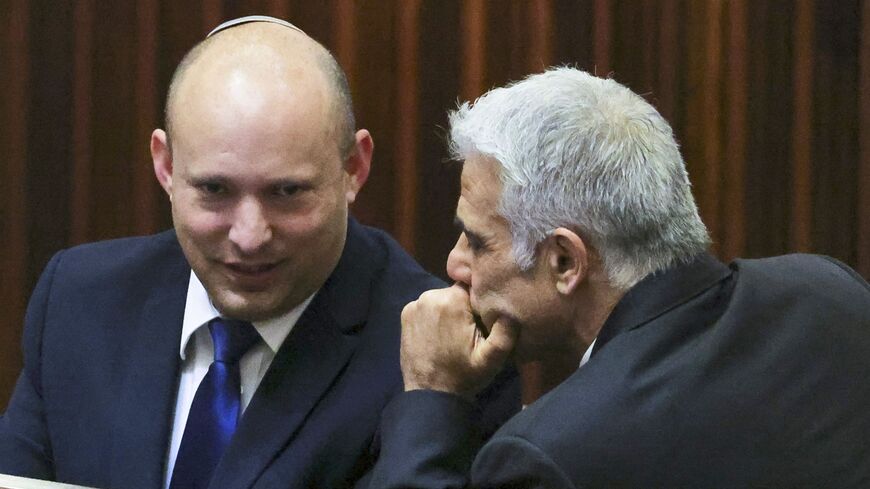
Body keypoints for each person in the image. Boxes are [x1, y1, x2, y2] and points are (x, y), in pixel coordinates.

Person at [0, 16, 517, 489]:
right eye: (215, 191)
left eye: (286, 193)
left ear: (354, 168)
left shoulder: (445, 358)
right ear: (165, 166)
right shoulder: (79, 300)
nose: (249, 236)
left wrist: (432, 397)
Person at [369, 67, 870, 488]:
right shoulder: (830, 294)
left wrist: (431, 399)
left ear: (565, 261)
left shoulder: (549, 457)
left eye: (478, 242)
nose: (456, 265)